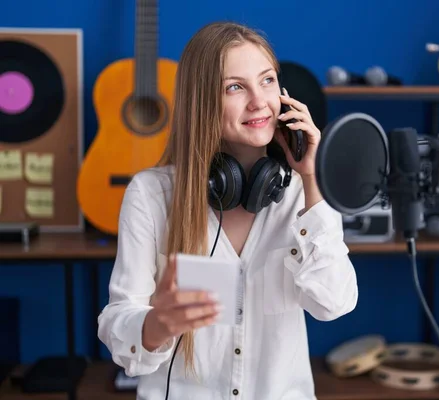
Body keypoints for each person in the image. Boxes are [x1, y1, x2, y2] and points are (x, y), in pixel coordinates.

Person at [97, 21, 358, 400]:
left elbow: (333, 304)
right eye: (235, 87)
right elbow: (118, 324)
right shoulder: (151, 195)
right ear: (201, 101)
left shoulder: (303, 195)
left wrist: (313, 182)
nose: (259, 101)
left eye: (267, 80)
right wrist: (157, 323)